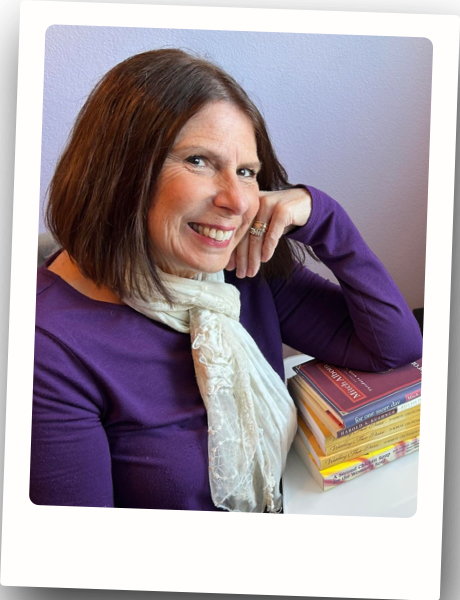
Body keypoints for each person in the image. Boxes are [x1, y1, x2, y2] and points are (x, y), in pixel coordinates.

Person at [31, 49, 423, 512]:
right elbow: (82, 565)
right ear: (120, 170)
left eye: (246, 172)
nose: (238, 201)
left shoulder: (237, 269)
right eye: (198, 160)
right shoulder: (46, 350)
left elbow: (393, 347)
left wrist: (323, 214)